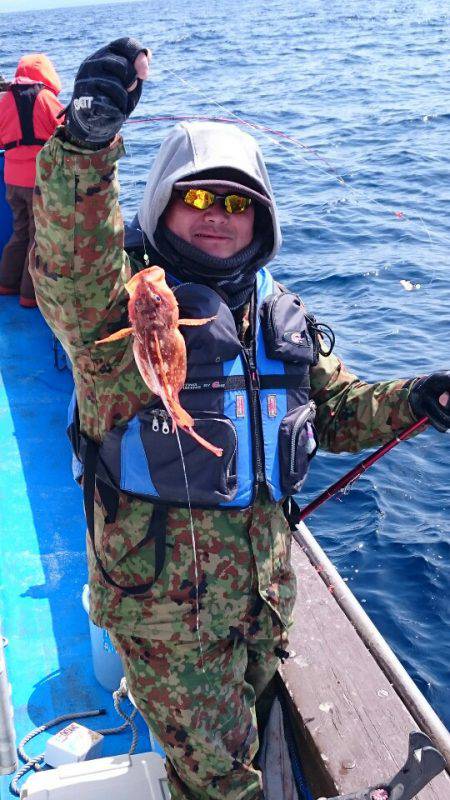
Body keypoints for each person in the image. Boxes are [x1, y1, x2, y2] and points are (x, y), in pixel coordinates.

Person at [29, 39, 450, 800]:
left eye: (235, 202)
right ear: (162, 205)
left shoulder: (279, 319)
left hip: (262, 604)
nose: (218, 216)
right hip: (164, 620)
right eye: (197, 198)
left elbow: (338, 412)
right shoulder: (114, 312)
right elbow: (69, 262)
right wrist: (85, 145)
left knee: (245, 740)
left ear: (262, 217)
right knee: (224, 785)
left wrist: (418, 398)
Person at [0, 53, 63, 307]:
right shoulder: (47, 99)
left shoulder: (4, 102)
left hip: (12, 181)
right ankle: (29, 296)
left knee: (19, 232)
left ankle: (5, 283)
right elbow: (67, 133)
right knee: (38, 239)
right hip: (40, 181)